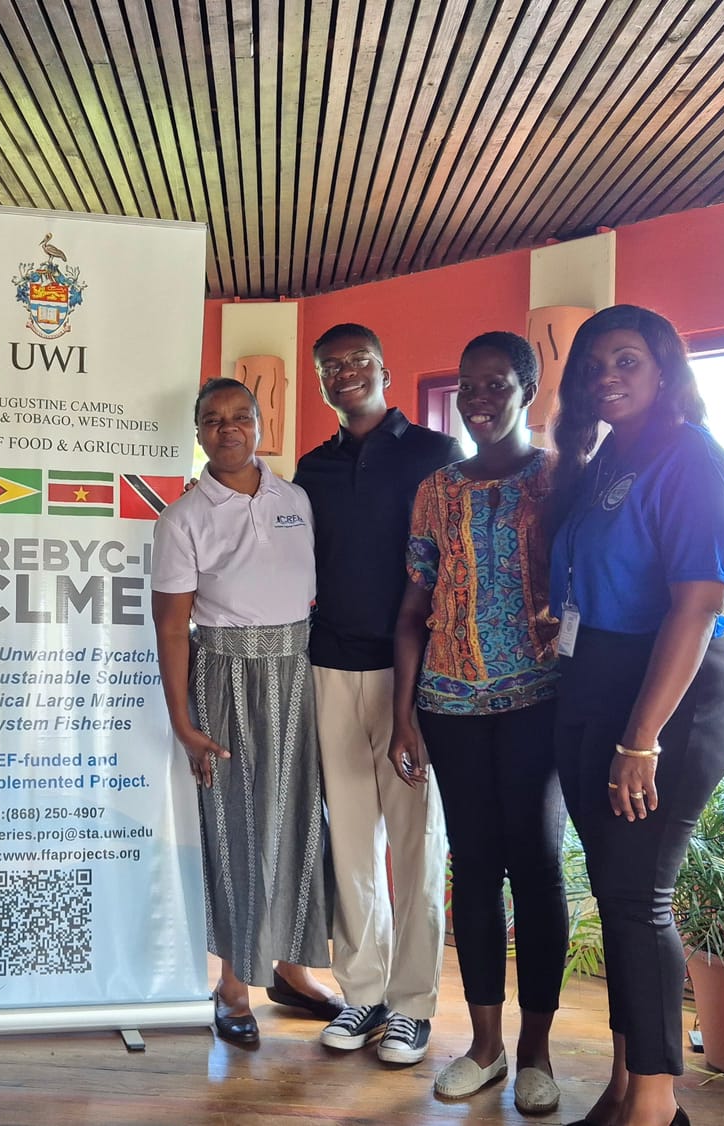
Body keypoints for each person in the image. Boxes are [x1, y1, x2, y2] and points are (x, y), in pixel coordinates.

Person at [548, 305, 724, 1126]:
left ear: (665, 370)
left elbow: (696, 606)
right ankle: (624, 1085)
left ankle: (656, 1105)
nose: (607, 377)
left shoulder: (691, 457)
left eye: (626, 360)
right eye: (593, 365)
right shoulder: (606, 459)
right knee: (616, 892)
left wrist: (641, 739)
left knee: (640, 898)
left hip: (666, 698)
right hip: (594, 677)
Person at [392, 332, 566, 1113]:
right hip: (449, 704)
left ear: (527, 388)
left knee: (537, 866)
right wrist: (404, 714)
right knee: (475, 867)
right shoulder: (435, 489)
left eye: (496, 384)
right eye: (467, 386)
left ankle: (538, 1054)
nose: (479, 399)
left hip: (540, 702)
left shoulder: (559, 477)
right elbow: (414, 607)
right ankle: (486, 1047)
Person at [294, 323, 462, 1063]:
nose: (345, 373)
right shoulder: (312, 469)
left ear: (385, 369)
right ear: (321, 381)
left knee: (418, 841)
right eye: (330, 366)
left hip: (413, 678)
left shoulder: (436, 454)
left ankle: (412, 1005)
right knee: (352, 842)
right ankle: (362, 993)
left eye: (359, 360)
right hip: (330, 666)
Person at [153, 377, 337, 1045]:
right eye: (212, 419)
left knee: (300, 822)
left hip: (298, 672)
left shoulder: (296, 499)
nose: (227, 428)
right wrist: (183, 723)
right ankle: (233, 984)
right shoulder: (182, 517)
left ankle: (290, 968)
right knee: (236, 826)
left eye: (239, 417)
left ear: (259, 424)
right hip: (225, 676)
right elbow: (171, 627)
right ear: (199, 432)